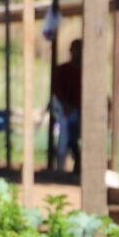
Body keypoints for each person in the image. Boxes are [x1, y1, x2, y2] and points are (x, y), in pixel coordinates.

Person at [51, 39, 82, 173]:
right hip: (67, 110)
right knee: (66, 134)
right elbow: (57, 90)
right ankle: (64, 165)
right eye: (76, 49)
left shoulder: (87, 71)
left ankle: (78, 162)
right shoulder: (63, 70)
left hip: (81, 111)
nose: (78, 52)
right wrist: (65, 104)